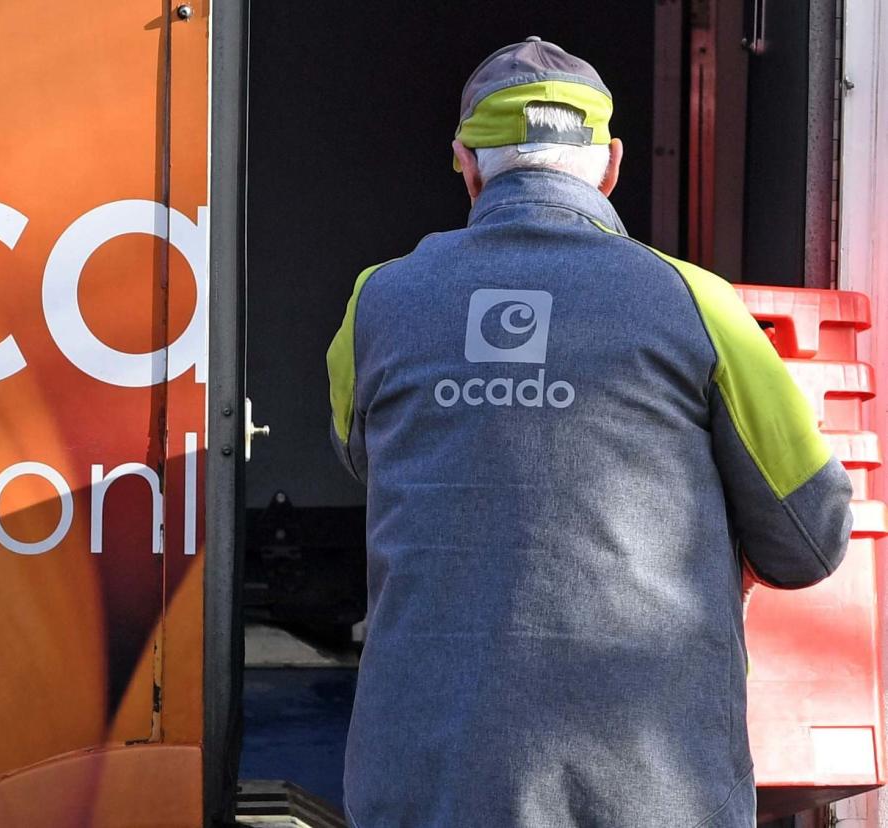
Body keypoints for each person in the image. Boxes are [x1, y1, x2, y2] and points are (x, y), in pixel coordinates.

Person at [326, 37, 853, 827]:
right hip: (649, 791)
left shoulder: (376, 306)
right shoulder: (698, 304)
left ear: (466, 163)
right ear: (609, 164)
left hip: (423, 788)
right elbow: (811, 540)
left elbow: (370, 459)